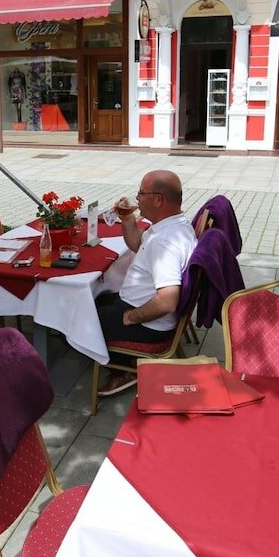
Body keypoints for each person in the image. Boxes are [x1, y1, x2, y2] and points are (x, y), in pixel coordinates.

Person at [95, 170, 197, 397]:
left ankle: (123, 371)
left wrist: (130, 317)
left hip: (150, 326)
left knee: (70, 321)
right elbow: (138, 245)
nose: (137, 198)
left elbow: (167, 302)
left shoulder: (165, 242)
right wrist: (128, 220)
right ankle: (118, 358)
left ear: (158, 199)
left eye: (141, 193)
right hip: (139, 307)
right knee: (95, 300)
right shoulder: (173, 224)